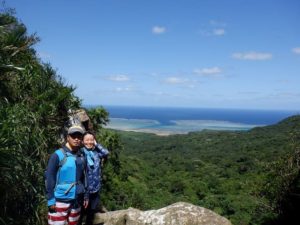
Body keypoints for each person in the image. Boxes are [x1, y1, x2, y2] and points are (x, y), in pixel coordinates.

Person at [45, 125, 89, 225]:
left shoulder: (81, 155)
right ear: (67, 137)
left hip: (77, 199)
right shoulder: (57, 155)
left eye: (79, 137)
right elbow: (49, 178)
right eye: (74, 136)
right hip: (60, 199)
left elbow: (84, 177)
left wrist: (86, 195)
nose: (76, 139)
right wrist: (51, 199)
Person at [82, 131, 109, 225]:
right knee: (81, 213)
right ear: (82, 141)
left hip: (96, 189)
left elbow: (106, 153)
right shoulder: (80, 154)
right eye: (87, 140)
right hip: (84, 190)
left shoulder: (96, 153)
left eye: (91, 140)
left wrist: (96, 144)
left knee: (91, 213)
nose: (89, 142)